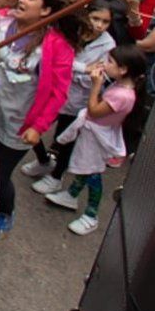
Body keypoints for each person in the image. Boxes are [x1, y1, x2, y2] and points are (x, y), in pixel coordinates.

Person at [0, 0, 82, 240]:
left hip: (20, 123)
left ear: (46, 10)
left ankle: (6, 211)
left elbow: (58, 93)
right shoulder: (4, 23)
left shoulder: (56, 45)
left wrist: (38, 127)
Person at [45, 45, 144, 234]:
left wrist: (96, 86)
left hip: (99, 136)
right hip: (94, 132)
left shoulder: (122, 95)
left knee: (93, 172)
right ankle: (72, 194)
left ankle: (92, 214)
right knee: (84, 166)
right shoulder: (119, 86)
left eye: (110, 62)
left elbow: (94, 111)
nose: (105, 65)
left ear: (123, 69)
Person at [30, 2, 117, 193]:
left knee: (65, 140)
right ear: (87, 16)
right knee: (31, 125)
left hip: (77, 99)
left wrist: (70, 68)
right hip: (54, 90)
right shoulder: (73, 30)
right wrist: (80, 68)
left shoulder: (109, 45)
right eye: (96, 19)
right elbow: (57, 58)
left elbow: (95, 74)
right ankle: (44, 160)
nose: (99, 25)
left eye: (105, 22)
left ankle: (56, 176)